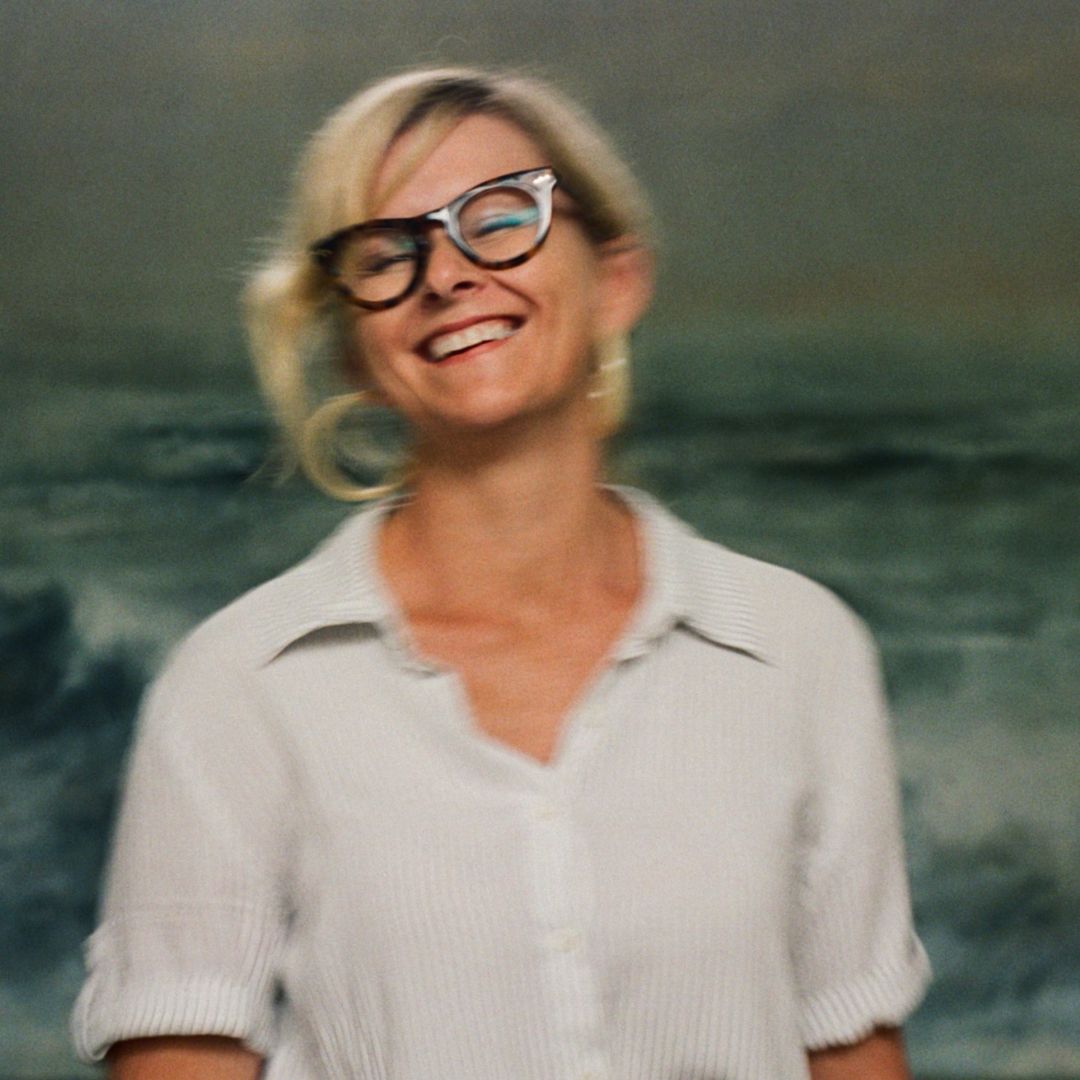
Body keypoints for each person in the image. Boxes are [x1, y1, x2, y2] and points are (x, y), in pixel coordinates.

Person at [72, 67, 930, 1080]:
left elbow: (853, 1050)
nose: (447, 275)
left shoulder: (798, 652)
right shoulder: (236, 691)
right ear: (352, 345)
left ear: (617, 277)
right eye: (386, 253)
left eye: (500, 217)